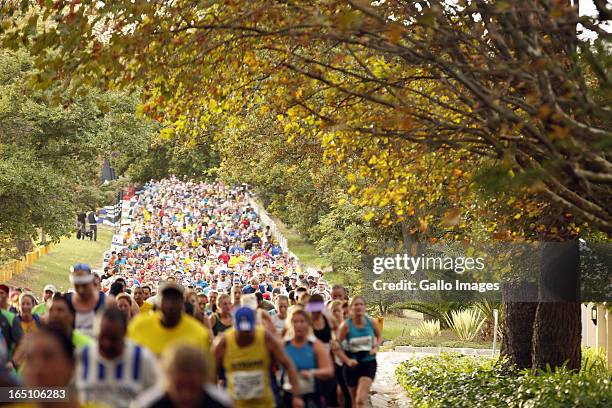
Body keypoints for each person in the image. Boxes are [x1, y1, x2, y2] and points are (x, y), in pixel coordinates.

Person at [212, 307, 304, 408]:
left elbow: (288, 364)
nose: (245, 334)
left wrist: (296, 396)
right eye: (242, 331)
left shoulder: (265, 338)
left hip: (265, 403)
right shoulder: (224, 342)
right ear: (234, 327)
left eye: (248, 330)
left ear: (254, 325)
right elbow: (210, 372)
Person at [76, 308, 160, 408]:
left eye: (113, 338)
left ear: (125, 334)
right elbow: (59, 393)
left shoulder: (142, 358)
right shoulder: (81, 356)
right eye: (102, 337)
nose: (107, 344)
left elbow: (161, 393)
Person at [131, 344, 232, 408]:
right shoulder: (146, 404)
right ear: (167, 379)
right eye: (178, 387)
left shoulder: (222, 403)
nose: (186, 395)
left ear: (204, 379)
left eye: (193, 387)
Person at [127, 282, 211, 356]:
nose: (170, 304)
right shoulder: (139, 326)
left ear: (182, 303)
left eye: (175, 299)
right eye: (166, 299)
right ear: (158, 302)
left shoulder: (198, 333)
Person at [283, 308, 334, 408]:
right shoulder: (284, 345)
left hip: (311, 395)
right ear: (290, 324)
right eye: (295, 322)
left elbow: (329, 371)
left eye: (302, 321)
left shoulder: (315, 345)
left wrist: (312, 372)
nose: (299, 325)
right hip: (289, 395)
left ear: (308, 324)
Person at [338, 296, 382, 408]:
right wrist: (347, 360)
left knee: (360, 400)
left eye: (361, 304)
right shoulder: (346, 325)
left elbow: (379, 336)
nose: (359, 307)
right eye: (356, 304)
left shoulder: (371, 322)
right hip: (352, 365)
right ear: (351, 308)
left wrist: (375, 347)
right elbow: (336, 346)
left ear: (365, 307)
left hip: (368, 363)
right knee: (354, 402)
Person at [66, 264, 108, 338]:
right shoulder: (65, 302)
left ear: (92, 282)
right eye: (77, 286)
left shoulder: (105, 302)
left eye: (85, 285)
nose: (81, 290)